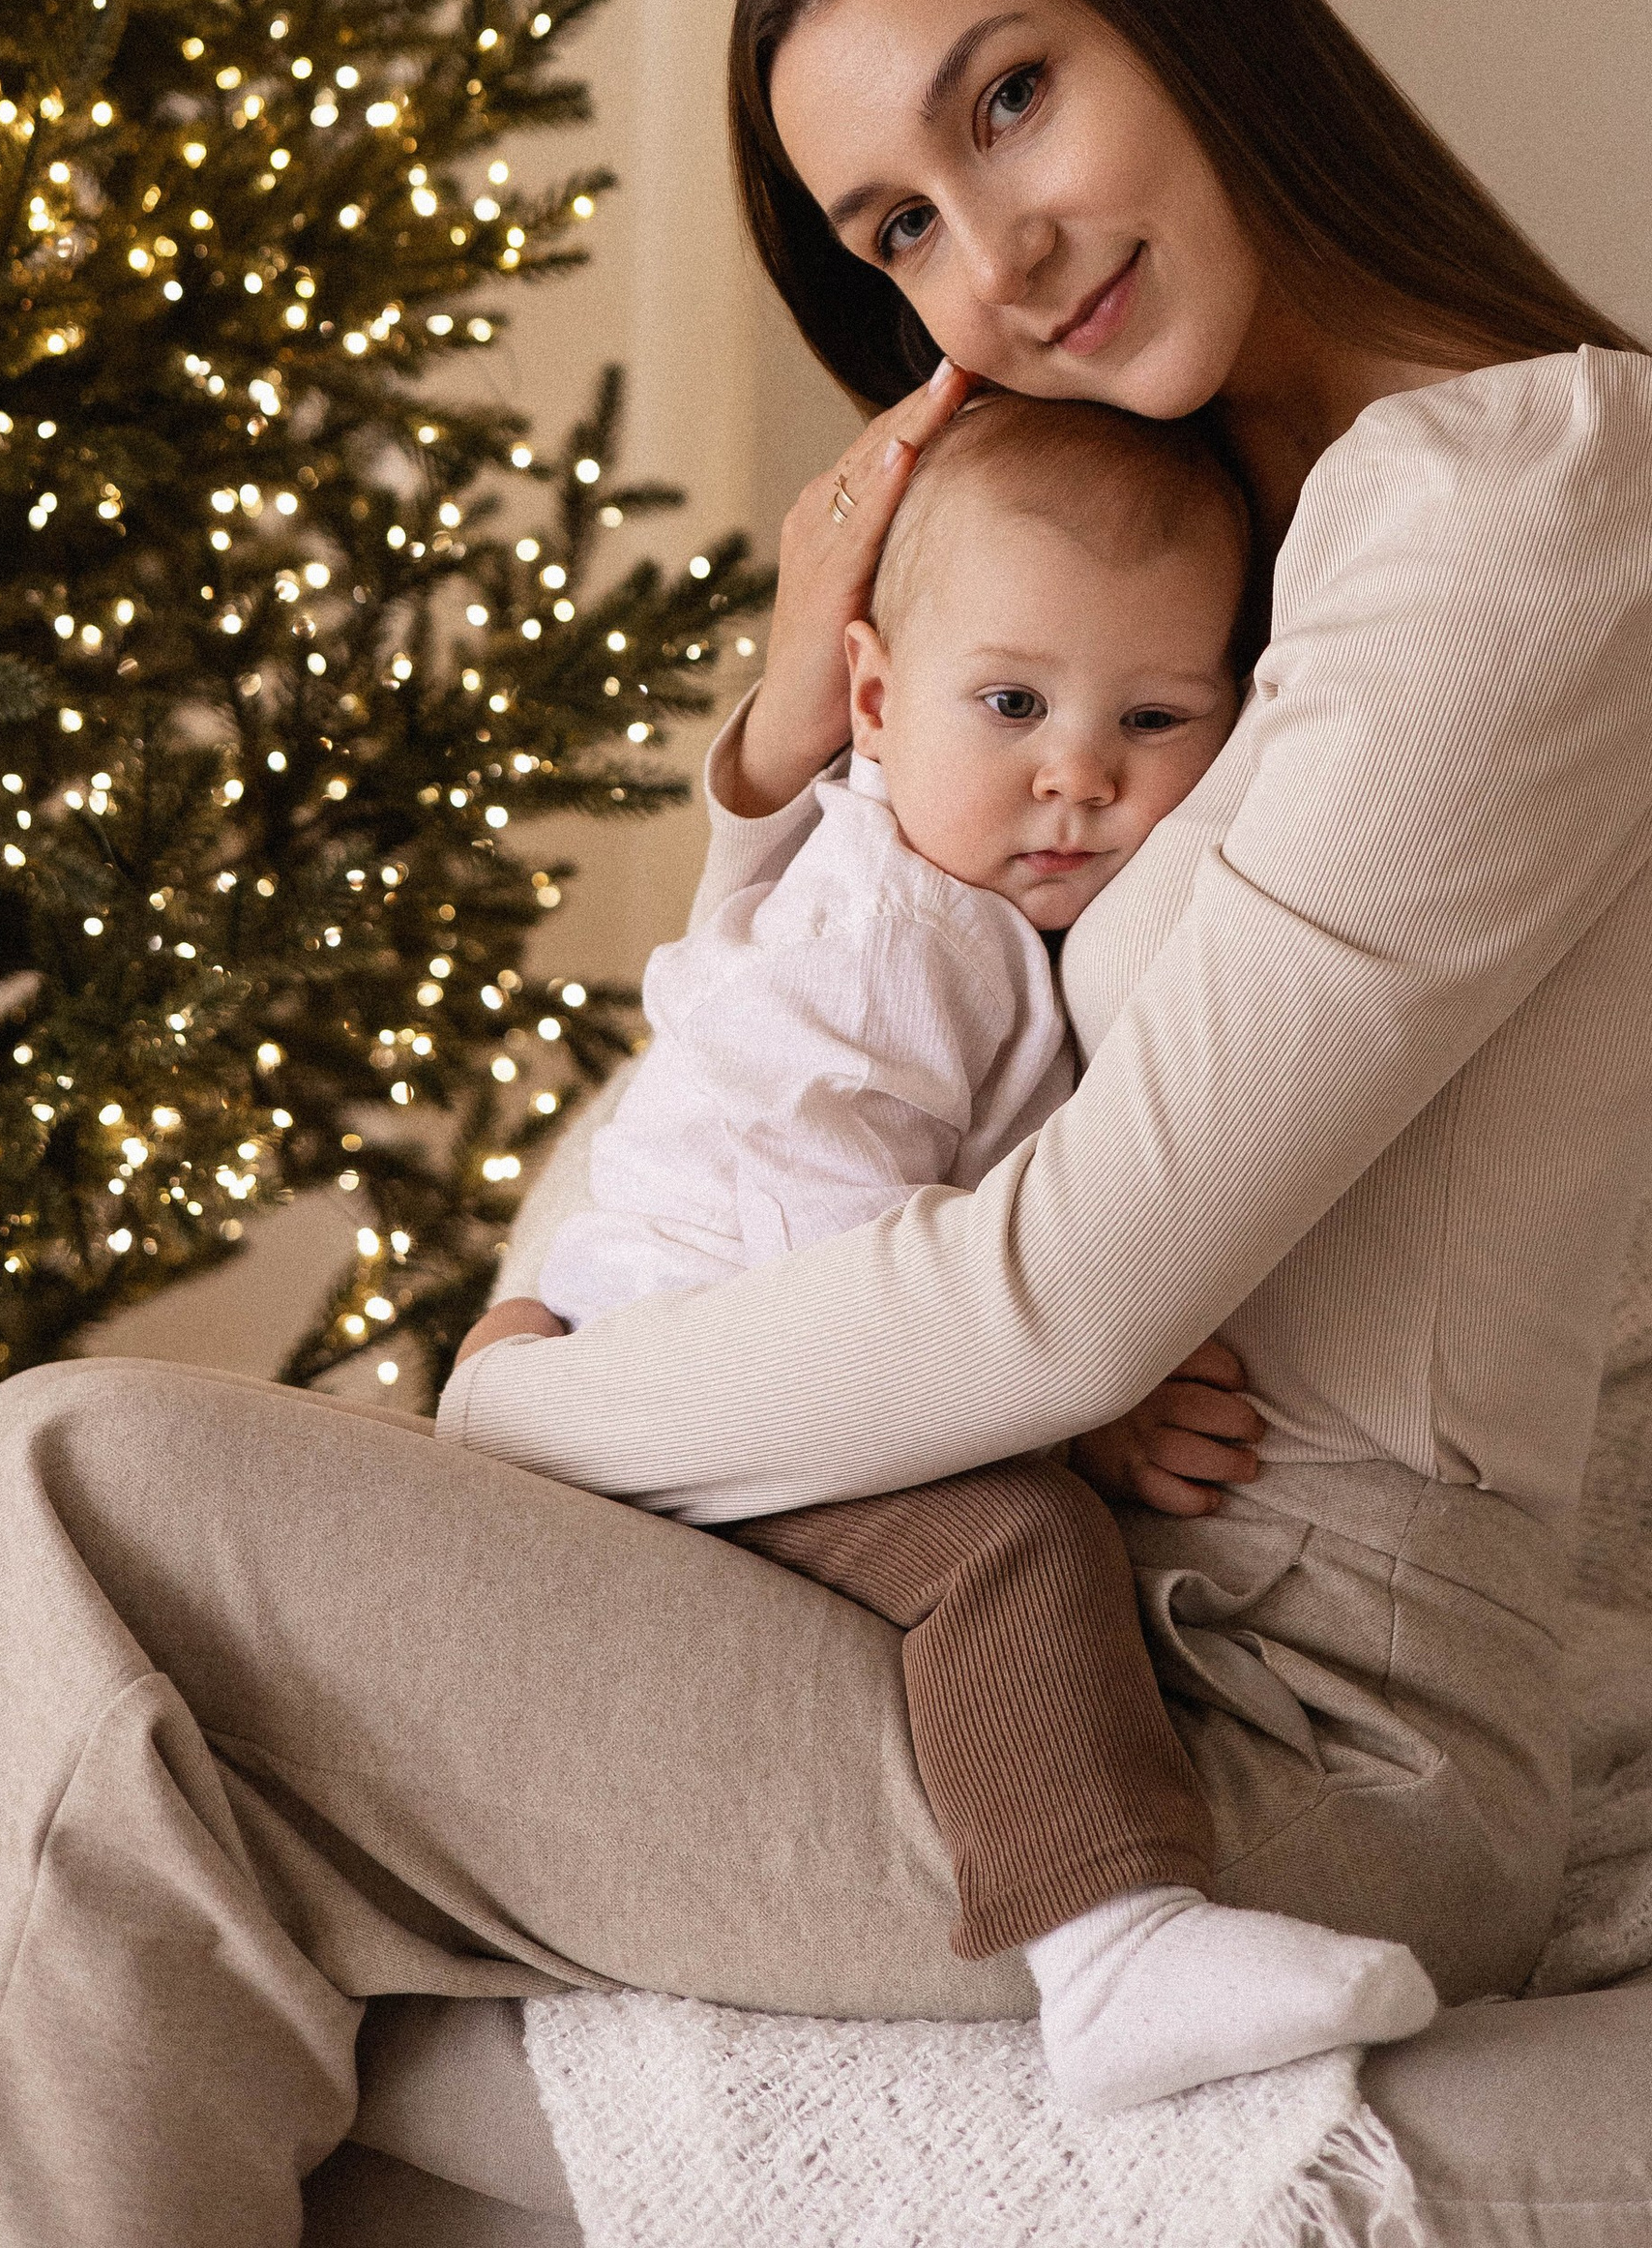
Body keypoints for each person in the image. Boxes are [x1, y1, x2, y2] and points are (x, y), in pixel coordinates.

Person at [0, 0, 1652, 2247]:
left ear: (1192, 21)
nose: (994, 254)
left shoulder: (1525, 505)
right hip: (945, 1580)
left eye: (1011, 97)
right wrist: (776, 742)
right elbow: (805, 1056)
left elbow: (1062, 1307)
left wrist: (527, 1402)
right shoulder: (1176, 548)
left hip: (1271, 1726)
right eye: (898, 230)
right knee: (85, 1748)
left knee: (72, 1498)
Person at [488, 391, 1438, 2112]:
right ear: (872, 702)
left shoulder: (967, 904)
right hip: (688, 1362)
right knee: (1012, 1541)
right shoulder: (892, 940)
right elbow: (834, 1268)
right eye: (1010, 706)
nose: (1078, 775)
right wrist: (1080, 1425)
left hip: (677, 1333)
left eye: (1153, 718)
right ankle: (1115, 1951)